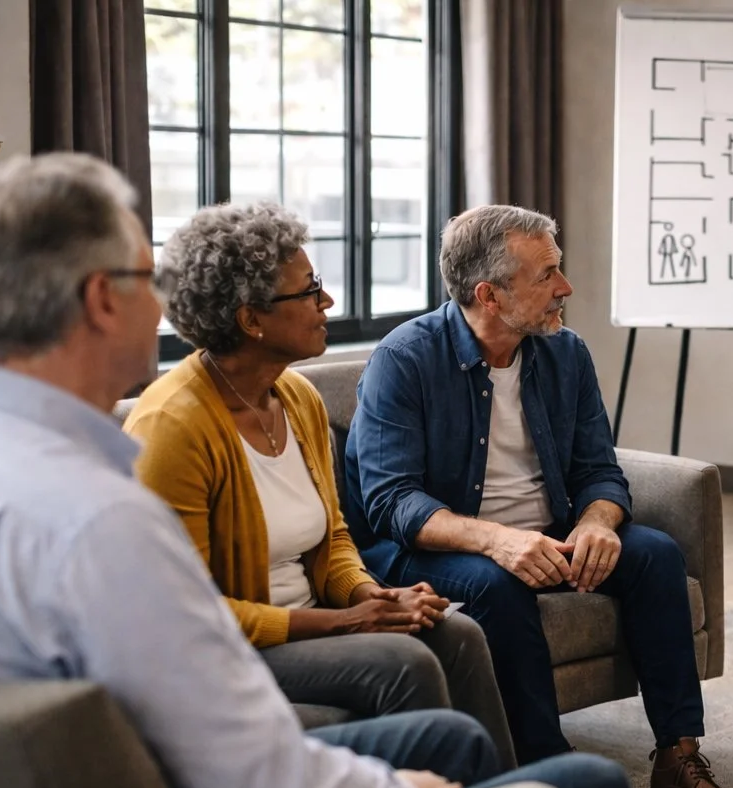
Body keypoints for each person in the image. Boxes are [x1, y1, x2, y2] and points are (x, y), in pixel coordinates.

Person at [0, 154, 639, 788]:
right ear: (103, 300)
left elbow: (335, 535)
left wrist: (370, 594)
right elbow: (255, 779)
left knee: (449, 718)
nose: (164, 304)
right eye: (146, 277)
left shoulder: (26, 464)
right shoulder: (103, 515)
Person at [343, 204, 733, 788]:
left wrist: (597, 523)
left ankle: (678, 758)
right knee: (496, 586)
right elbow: (391, 502)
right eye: (547, 275)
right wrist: (499, 542)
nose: (566, 287)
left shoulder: (565, 354)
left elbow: (599, 471)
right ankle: (544, 767)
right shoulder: (405, 360)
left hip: (548, 532)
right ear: (489, 295)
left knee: (656, 555)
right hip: (431, 547)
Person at [123, 201, 514, 756]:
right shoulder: (171, 426)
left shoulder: (297, 397)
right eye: (309, 290)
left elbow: (331, 537)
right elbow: (183, 611)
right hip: (227, 645)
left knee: (457, 632)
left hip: (314, 619)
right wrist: (345, 623)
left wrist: (375, 595)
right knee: (403, 663)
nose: (327, 302)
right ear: (250, 319)